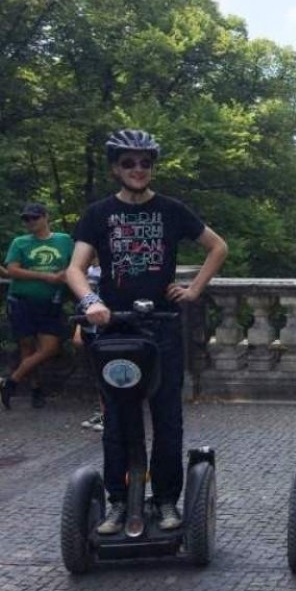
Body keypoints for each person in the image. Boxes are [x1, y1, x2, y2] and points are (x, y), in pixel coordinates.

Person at [67, 129, 228, 534]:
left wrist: (193, 289)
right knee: (119, 419)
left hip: (162, 327)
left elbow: (217, 247)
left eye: (145, 162)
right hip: (115, 329)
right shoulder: (98, 214)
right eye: (128, 163)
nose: (138, 169)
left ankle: (167, 500)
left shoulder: (171, 210)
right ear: (115, 168)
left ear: (152, 166)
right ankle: (119, 502)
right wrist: (92, 304)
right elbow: (75, 269)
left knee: (167, 418)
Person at [1, 203, 74, 409]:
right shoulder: (20, 242)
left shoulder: (64, 240)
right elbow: (12, 270)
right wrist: (46, 277)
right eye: (26, 219)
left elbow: (74, 264)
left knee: (49, 348)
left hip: (50, 302)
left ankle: (12, 380)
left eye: (34, 218)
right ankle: (35, 389)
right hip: (22, 299)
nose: (30, 222)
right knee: (27, 346)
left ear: (45, 217)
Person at [75, 260, 104, 431]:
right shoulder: (88, 270)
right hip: (89, 327)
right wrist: (79, 328)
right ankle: (103, 411)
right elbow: (84, 302)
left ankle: (109, 414)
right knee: (97, 372)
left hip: (103, 327)